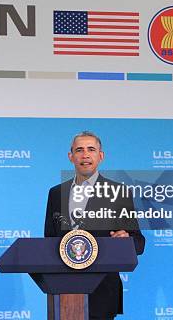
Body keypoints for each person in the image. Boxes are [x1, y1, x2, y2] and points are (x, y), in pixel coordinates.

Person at [44, 131, 145, 320]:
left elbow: (139, 243)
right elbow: (48, 240)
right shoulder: (56, 193)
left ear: (101, 156)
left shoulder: (118, 192)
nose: (85, 155)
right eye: (79, 150)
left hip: (103, 289)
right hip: (63, 288)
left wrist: (126, 241)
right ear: (70, 156)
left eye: (91, 149)